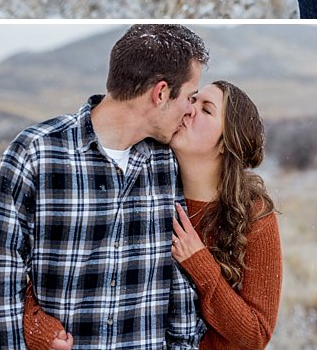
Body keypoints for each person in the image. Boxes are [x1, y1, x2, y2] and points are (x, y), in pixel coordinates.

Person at [0, 24, 209, 350]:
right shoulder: (36, 153)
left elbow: (180, 282)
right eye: (189, 97)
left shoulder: (168, 162)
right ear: (160, 93)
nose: (190, 110)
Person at [24, 81, 283, 350]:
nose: (189, 109)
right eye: (192, 100)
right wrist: (36, 325)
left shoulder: (253, 214)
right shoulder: (144, 186)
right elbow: (38, 266)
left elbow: (255, 335)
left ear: (227, 143)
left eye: (207, 110)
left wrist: (200, 263)